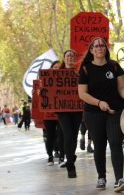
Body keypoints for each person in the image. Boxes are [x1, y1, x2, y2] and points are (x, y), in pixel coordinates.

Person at [78, 37, 124, 192]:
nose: (100, 47)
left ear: (106, 48)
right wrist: (99, 102)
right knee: (100, 145)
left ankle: (119, 179)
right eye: (96, 46)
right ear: (91, 50)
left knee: (116, 143)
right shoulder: (85, 69)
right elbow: (82, 94)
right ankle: (101, 177)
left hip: (115, 112)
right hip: (93, 113)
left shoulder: (114, 66)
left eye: (102, 45)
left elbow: (122, 88)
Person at [56, 50, 82, 178]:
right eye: (68, 56)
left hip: (77, 110)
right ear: (64, 58)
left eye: (72, 55)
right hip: (62, 110)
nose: (70, 57)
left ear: (75, 59)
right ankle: (71, 165)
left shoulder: (79, 75)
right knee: (68, 134)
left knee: (74, 135)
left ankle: (70, 157)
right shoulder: (56, 75)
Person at [43, 60, 65, 166]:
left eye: (58, 67)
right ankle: (50, 156)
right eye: (54, 67)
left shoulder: (66, 81)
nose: (56, 69)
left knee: (62, 135)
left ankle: (62, 157)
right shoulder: (45, 81)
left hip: (61, 113)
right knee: (50, 135)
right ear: (51, 69)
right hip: (49, 114)